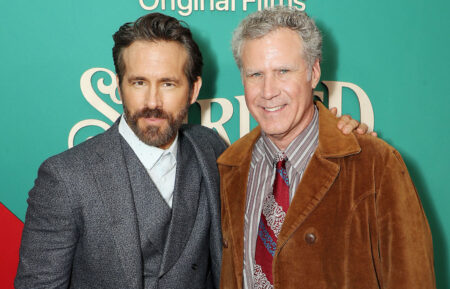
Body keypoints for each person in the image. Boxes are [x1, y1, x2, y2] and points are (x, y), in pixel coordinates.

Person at [15, 12, 367, 289]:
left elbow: (287, 152)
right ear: (118, 86)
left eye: (168, 84)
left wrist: (332, 132)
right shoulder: (66, 177)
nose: (152, 102)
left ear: (193, 89)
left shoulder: (212, 149)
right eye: (138, 83)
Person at [218, 6, 435, 289]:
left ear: (313, 72)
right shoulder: (228, 169)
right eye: (255, 74)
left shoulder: (376, 164)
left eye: (283, 71)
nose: (268, 91)